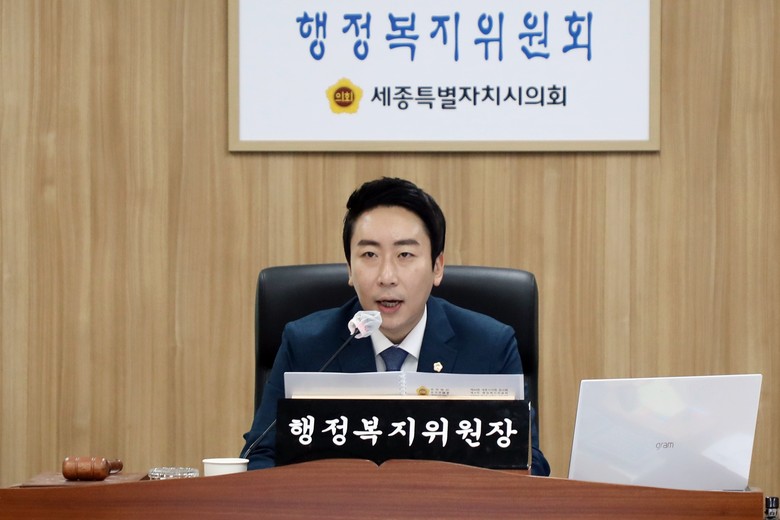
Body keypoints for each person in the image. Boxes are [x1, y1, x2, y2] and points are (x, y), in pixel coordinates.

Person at [241, 177, 551, 475]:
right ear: (349, 268)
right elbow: (260, 455)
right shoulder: (308, 344)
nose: (387, 276)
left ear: (437, 267)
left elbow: (528, 462)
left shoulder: (490, 346)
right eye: (369, 254)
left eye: (405, 254)